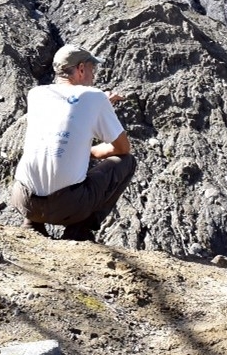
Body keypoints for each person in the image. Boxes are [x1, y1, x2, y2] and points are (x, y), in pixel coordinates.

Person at [11, 44, 137, 242]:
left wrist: (99, 105)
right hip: (68, 207)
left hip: (24, 200)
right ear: (80, 69)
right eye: (91, 70)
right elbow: (123, 148)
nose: (93, 76)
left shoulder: (36, 94)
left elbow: (65, 119)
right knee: (127, 161)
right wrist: (93, 151)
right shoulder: (95, 97)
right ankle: (79, 229)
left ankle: (32, 224)